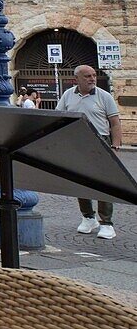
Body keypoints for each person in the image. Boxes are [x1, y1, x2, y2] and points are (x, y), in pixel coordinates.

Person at [57, 65, 121, 240]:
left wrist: (115, 146)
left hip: (100, 141)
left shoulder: (104, 96)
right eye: (87, 76)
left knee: (103, 183)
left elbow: (115, 123)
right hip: (77, 142)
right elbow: (60, 117)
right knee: (81, 181)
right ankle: (88, 217)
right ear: (76, 79)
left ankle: (106, 223)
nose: (92, 78)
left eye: (93, 75)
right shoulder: (68, 95)